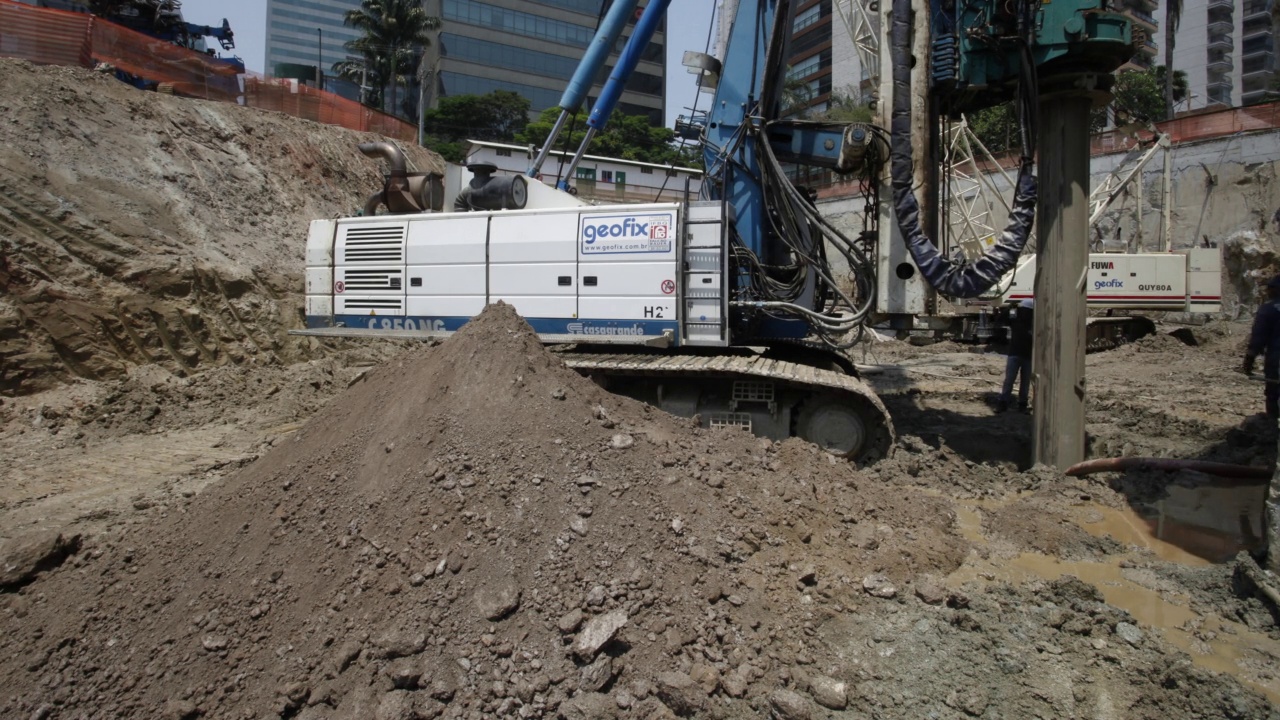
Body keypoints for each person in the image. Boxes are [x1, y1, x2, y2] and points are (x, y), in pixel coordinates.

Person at [1244, 275, 1280, 419]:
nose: (1267, 292)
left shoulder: (1268, 309)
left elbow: (1258, 337)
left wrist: (1249, 359)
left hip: (1276, 359)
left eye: (1270, 288)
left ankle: (1273, 427)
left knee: (1273, 392)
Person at [998, 299, 1034, 413]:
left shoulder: (1033, 322)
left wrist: (1011, 307)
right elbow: (1001, 319)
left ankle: (1020, 404)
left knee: (1021, 382)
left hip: (1024, 356)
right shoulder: (1017, 321)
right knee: (1013, 380)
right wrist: (1009, 308)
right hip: (1017, 355)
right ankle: (1006, 403)